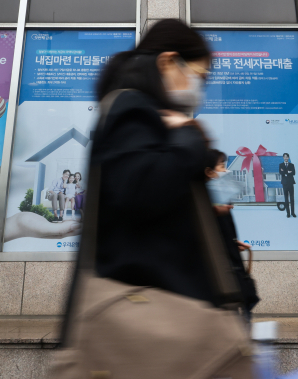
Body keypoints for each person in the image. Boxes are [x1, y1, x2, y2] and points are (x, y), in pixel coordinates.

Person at [75, 19, 234, 307]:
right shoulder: (132, 107)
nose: (200, 88)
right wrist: (190, 135)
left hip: (156, 305)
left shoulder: (149, 114)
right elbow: (141, 190)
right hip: (148, 312)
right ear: (169, 62)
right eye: (200, 75)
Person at [205, 149, 260, 321]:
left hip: (232, 280)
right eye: (221, 166)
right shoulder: (208, 204)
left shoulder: (220, 202)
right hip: (223, 284)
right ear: (208, 172)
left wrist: (232, 243)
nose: (226, 171)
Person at [280, 153, 296, 218]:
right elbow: (281, 173)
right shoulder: (281, 165)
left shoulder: (292, 165)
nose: (286, 158)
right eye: (285, 157)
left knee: (292, 198)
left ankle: (293, 213)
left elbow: (294, 173)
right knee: (286, 199)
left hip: (291, 183)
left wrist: (285, 172)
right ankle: (288, 213)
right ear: (283, 157)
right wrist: (288, 172)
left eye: (287, 157)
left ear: (288, 157)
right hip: (284, 183)